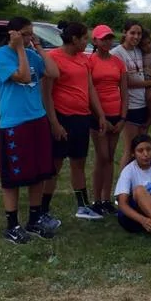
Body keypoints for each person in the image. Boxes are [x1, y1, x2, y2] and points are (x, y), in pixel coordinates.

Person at [0, 16, 61, 244]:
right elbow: (23, 76)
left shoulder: (32, 53)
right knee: (12, 177)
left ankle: (34, 218)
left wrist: (38, 47)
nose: (29, 37)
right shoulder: (0, 55)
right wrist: (20, 48)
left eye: (31, 33)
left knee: (38, 173)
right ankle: (12, 224)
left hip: (37, 118)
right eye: (25, 33)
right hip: (14, 122)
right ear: (12, 33)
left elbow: (53, 72)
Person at [43, 22, 107, 221]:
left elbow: (89, 88)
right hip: (62, 117)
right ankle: (42, 208)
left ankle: (82, 206)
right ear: (74, 39)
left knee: (78, 162)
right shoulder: (53, 57)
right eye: (85, 38)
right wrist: (54, 122)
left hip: (82, 117)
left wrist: (100, 114)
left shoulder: (83, 59)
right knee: (55, 164)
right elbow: (46, 94)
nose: (87, 42)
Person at [88, 24, 128, 215]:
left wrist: (123, 117)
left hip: (116, 113)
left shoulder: (118, 62)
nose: (107, 41)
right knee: (102, 156)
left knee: (110, 157)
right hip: (98, 115)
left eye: (110, 38)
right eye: (103, 38)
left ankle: (106, 198)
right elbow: (89, 90)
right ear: (94, 41)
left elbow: (125, 91)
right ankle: (96, 199)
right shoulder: (90, 62)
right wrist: (100, 116)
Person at [112, 20, 151, 169]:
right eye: (132, 33)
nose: (136, 36)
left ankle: (137, 185)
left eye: (139, 33)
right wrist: (150, 84)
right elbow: (125, 82)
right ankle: (123, 187)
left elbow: (145, 73)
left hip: (143, 104)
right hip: (130, 106)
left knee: (141, 149)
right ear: (125, 33)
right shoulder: (117, 53)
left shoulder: (139, 50)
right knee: (130, 149)